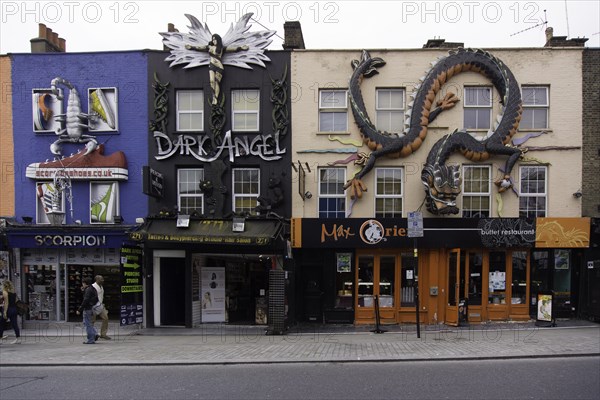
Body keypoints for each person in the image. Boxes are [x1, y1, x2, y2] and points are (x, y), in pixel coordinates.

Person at [186, 34, 248, 105]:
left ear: (218, 40)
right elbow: (200, 48)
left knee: (217, 82)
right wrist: (191, 47)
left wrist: (240, 48)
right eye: (213, 39)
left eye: (215, 39)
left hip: (219, 67)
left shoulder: (221, 48)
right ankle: (213, 96)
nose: (214, 41)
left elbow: (232, 49)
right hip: (212, 65)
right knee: (212, 81)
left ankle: (215, 98)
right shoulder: (209, 47)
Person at [76, 277, 99, 344]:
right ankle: (95, 333)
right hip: (92, 308)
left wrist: (80, 309)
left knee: (87, 324)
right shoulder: (93, 288)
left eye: (83, 283)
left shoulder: (88, 290)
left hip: (88, 308)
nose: (82, 285)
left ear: (85, 283)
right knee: (87, 322)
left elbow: (85, 300)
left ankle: (91, 339)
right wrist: (83, 291)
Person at [92, 275, 111, 340]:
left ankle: (103, 334)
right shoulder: (93, 286)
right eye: (101, 279)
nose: (103, 280)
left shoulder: (101, 286)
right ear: (97, 279)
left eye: (103, 279)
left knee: (105, 318)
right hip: (94, 306)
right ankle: (92, 334)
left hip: (100, 305)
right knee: (92, 321)